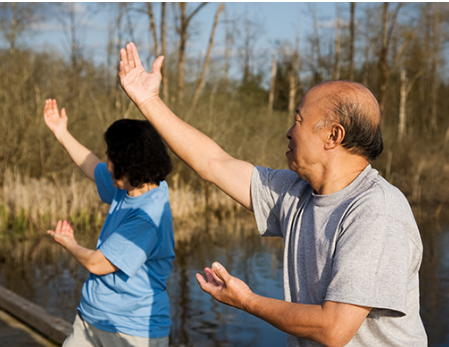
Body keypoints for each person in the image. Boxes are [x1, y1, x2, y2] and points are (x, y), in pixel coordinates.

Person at [117, 42, 427, 346]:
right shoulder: (296, 192)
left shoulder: (377, 211)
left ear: (333, 136)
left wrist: (247, 301)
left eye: (299, 120)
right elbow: (214, 163)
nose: (290, 131)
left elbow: (333, 329)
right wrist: (148, 100)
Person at [44, 99, 174, 347]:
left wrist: (68, 243)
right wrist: (61, 132)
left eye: (111, 158)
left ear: (130, 166)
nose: (108, 164)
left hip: (130, 331)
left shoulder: (149, 218)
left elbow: (97, 264)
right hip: (91, 318)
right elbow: (91, 165)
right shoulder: (131, 186)